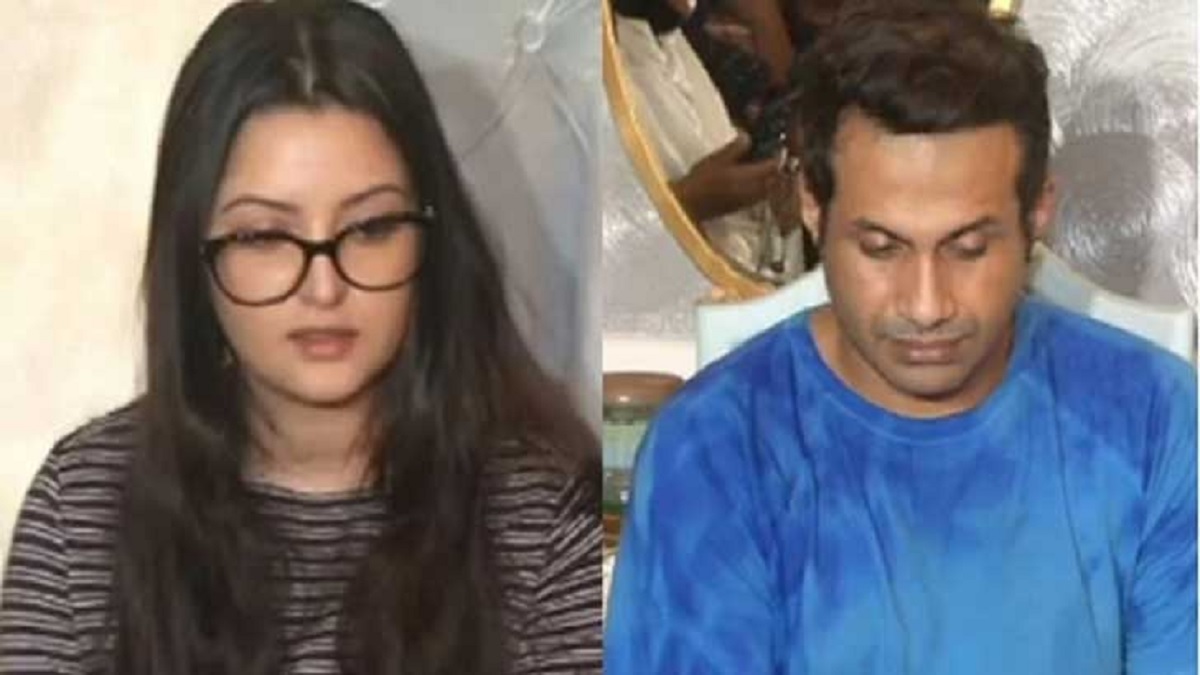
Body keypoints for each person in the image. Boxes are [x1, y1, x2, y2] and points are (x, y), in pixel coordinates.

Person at [0, 1, 601, 673]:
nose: (323, 287)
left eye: (370, 228)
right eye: (264, 235)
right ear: (193, 258)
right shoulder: (82, 507)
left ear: (431, 240)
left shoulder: (543, 513)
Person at [605, 1, 1196, 673]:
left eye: (968, 248)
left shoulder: (1152, 418)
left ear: (1037, 214)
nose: (926, 305)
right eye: (881, 248)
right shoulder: (714, 448)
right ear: (813, 208)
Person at [613, 0, 812, 282]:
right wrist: (684, 205)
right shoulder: (579, 71)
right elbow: (581, 248)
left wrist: (782, 211)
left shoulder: (681, 40)